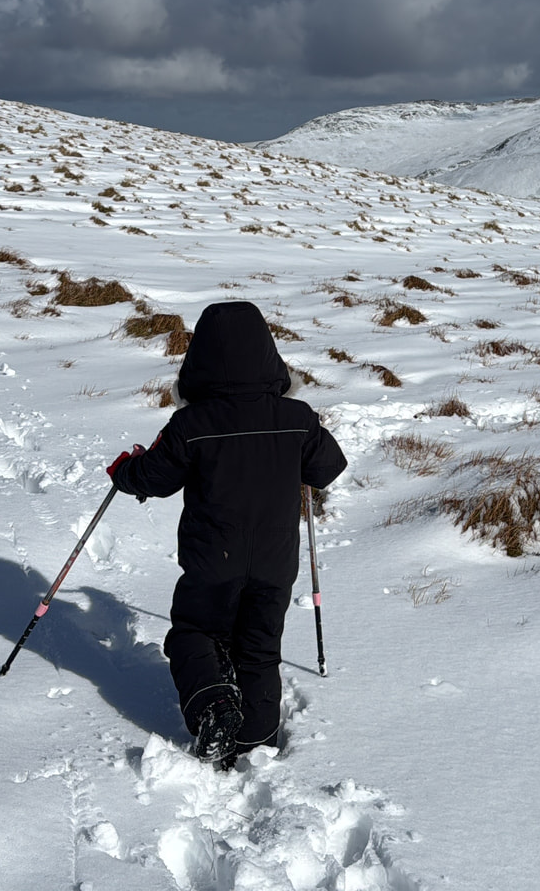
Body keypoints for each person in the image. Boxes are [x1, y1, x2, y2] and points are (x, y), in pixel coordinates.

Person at [107, 301, 346, 768]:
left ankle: (215, 706)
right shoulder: (297, 417)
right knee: (259, 650)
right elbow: (328, 468)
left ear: (200, 361)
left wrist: (124, 471)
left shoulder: (191, 424)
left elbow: (154, 478)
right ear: (269, 355)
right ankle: (257, 746)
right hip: (275, 561)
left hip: (212, 559)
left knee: (195, 632)